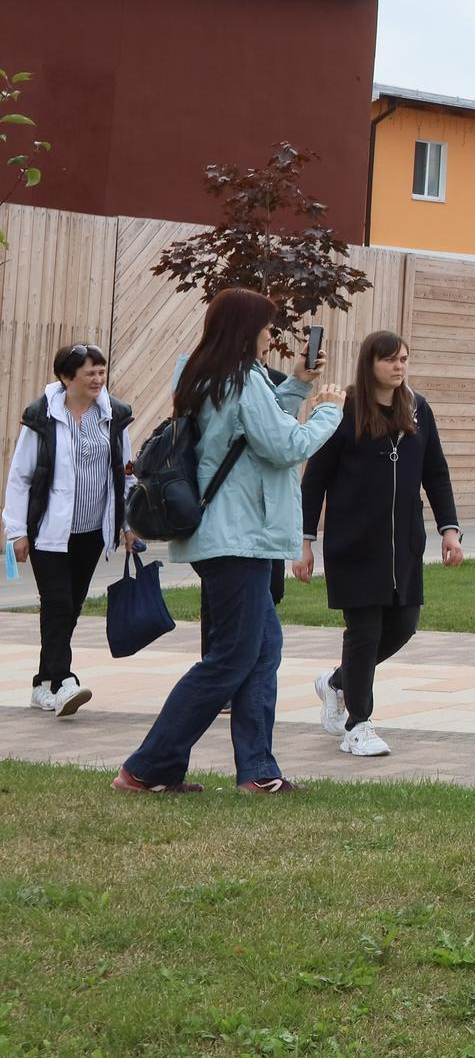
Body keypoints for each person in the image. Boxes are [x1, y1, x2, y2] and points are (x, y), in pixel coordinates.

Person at [115, 289, 344, 794]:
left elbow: (247, 434)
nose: (271, 334)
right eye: (266, 326)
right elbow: (285, 445)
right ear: (245, 330)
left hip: (233, 535)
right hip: (238, 536)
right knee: (232, 659)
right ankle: (147, 768)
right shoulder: (240, 379)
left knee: (261, 650)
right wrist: (328, 411)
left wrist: (298, 388)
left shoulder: (214, 375)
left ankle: (258, 772)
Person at [294, 331, 464, 758]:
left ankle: (336, 683)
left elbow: (436, 472)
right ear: (370, 363)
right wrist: (304, 541)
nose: (399, 366)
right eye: (390, 359)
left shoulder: (418, 409)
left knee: (403, 626)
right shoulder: (344, 409)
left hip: (403, 545)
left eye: (404, 359)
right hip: (355, 544)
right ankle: (358, 725)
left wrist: (449, 528)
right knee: (365, 632)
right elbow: (314, 480)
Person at [7, 344, 135, 718]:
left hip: (92, 530)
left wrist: (127, 524)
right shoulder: (42, 417)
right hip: (49, 530)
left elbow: (125, 475)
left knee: (71, 606)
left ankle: (42, 684)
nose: (98, 380)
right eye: (89, 373)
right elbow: (21, 476)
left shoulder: (113, 415)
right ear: (66, 378)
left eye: (101, 372)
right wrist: (16, 530)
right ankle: (63, 681)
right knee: (58, 603)